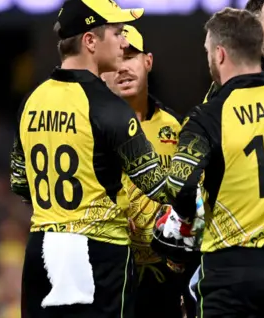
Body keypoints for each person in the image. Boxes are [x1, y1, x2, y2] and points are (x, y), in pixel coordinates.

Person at [10, 0, 173, 318]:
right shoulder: (109, 108)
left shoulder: (33, 100)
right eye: (116, 33)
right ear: (90, 40)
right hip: (98, 255)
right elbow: (160, 186)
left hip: (42, 248)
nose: (124, 44)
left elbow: (19, 183)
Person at [164, 7, 264, 317]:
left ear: (219, 54)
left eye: (209, 51)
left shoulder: (207, 117)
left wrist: (188, 221)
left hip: (229, 269)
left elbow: (179, 187)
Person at [101, 25, 195, 318]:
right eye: (116, 59)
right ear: (102, 70)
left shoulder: (179, 128)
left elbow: (195, 199)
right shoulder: (91, 130)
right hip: (111, 272)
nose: (123, 68)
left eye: (130, 56)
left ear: (148, 61)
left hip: (168, 275)